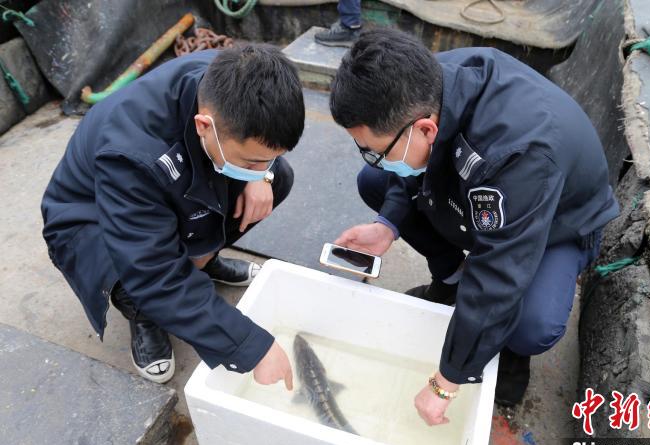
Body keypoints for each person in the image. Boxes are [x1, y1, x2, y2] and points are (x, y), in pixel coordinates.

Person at [329, 29, 619, 421]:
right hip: (492, 188)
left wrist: (445, 381)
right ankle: (451, 279)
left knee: (532, 323)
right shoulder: (426, 84)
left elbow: (500, 268)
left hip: (558, 223)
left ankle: (509, 354)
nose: (371, 157)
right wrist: (387, 226)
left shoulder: (520, 153)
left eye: (375, 151)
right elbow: (410, 168)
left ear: (426, 129)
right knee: (376, 184)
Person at [41, 45, 305, 387]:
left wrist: (262, 175)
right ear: (204, 125)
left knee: (279, 179)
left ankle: (202, 261)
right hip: (87, 215)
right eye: (253, 161)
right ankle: (142, 310)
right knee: (149, 278)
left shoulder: (232, 76)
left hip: (162, 180)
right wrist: (249, 346)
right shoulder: (130, 156)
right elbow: (153, 270)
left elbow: (262, 164)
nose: (261, 168)